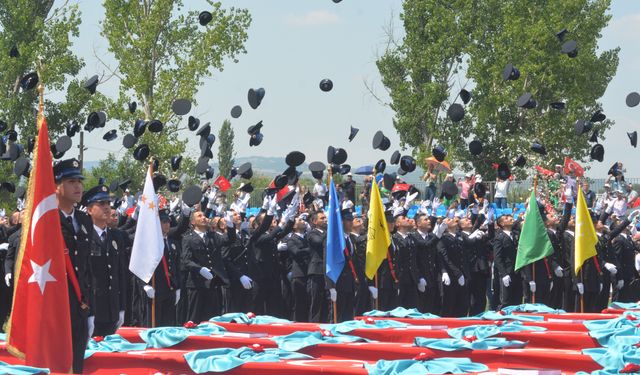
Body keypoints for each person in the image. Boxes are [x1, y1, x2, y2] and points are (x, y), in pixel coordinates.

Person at [53, 158, 95, 373]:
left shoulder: (84, 220)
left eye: (79, 180)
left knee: (76, 365)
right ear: (56, 186)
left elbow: (87, 267)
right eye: (71, 181)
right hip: (55, 306)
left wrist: (90, 309)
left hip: (80, 305)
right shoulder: (47, 220)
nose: (78, 186)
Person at [83, 184, 127, 336]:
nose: (107, 207)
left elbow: (120, 273)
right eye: (101, 204)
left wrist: (121, 307)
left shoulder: (116, 236)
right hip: (93, 308)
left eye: (108, 203)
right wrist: (88, 311)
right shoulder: (84, 237)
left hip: (112, 308)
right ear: (89, 210)